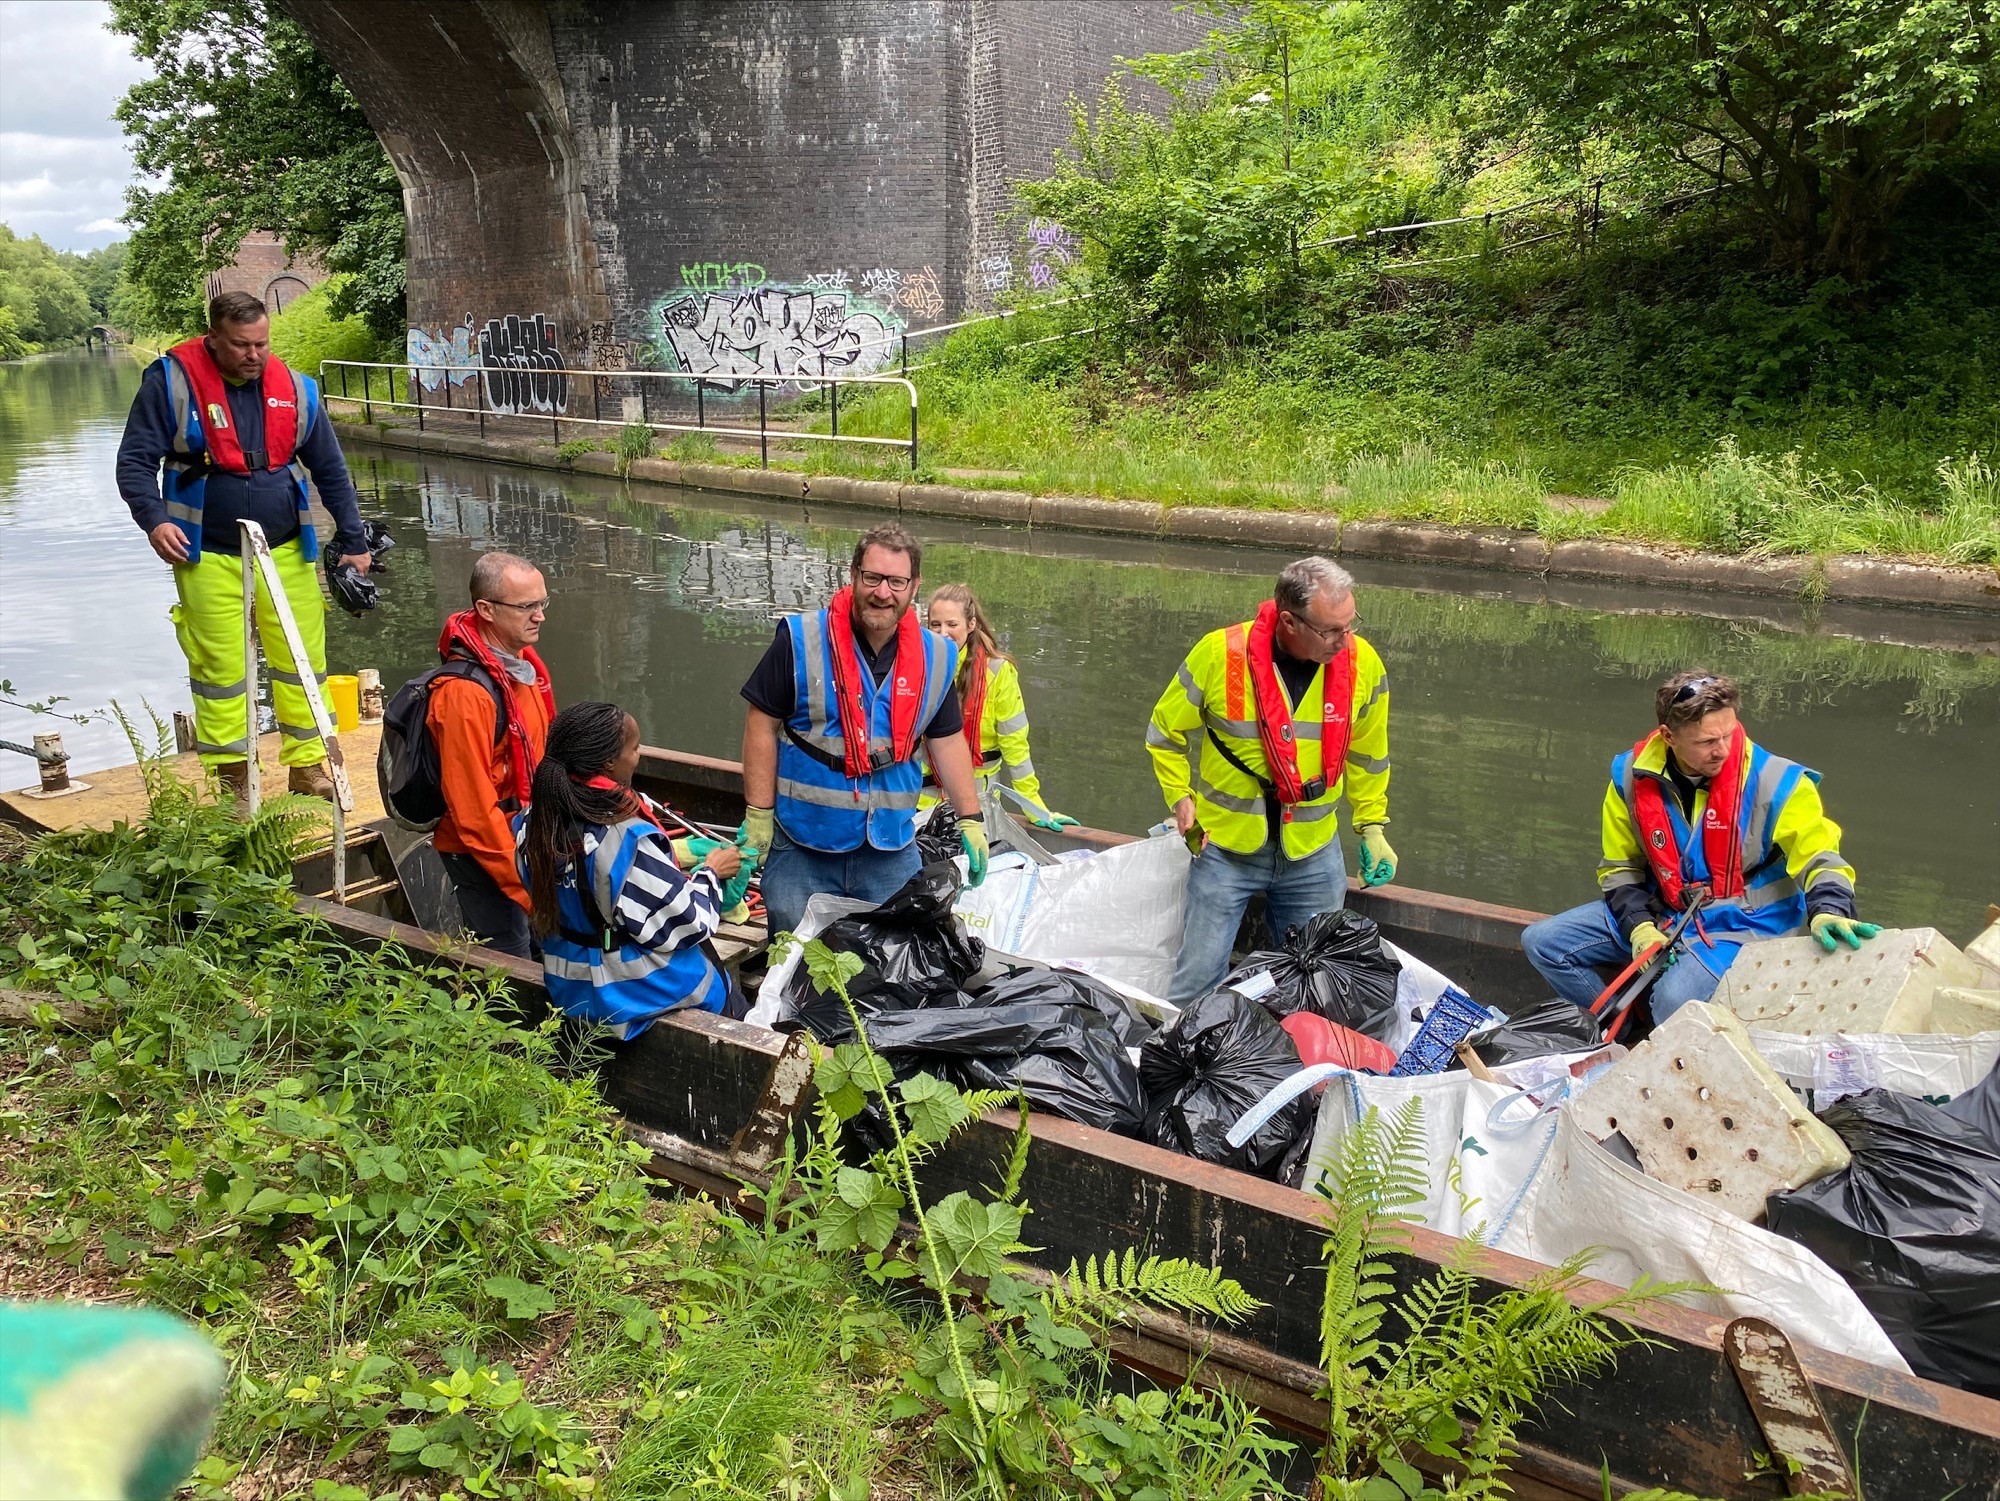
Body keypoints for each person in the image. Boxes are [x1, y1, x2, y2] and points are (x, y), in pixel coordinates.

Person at [115, 290, 372, 803]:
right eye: (241, 346)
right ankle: (234, 781)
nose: (254, 356)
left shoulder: (296, 391)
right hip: (205, 549)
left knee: (304, 663)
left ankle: (307, 766)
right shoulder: (169, 384)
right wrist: (154, 520)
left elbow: (331, 471)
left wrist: (353, 538)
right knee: (221, 671)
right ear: (212, 338)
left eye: (262, 344)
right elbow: (134, 462)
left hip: (284, 547)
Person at [1522, 670, 1877, 1023]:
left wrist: (1830, 909)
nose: (1723, 749)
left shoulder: (1777, 781)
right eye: (1708, 741)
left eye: (1729, 733)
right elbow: (1620, 869)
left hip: (1745, 922)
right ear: (1668, 736)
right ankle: (1614, 1026)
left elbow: (1821, 856)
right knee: (1544, 943)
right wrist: (1640, 927)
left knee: (1672, 1001)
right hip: (1665, 909)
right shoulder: (1630, 777)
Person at [1148, 556, 1396, 1004]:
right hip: (1225, 850)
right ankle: (1176, 1064)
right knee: (1197, 981)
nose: (1345, 641)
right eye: (1331, 631)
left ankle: (1288, 1066)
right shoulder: (1219, 655)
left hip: (1313, 852)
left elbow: (1369, 754)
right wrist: (1179, 797)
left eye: (1350, 625)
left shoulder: (1363, 665)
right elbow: (1164, 733)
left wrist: (1372, 826)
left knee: (1317, 981)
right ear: (1289, 621)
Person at [737, 523, 989, 938]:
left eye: (896, 581)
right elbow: (761, 724)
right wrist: (759, 812)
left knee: (894, 961)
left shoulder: (937, 657)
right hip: (803, 844)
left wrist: (970, 819)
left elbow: (946, 740)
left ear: (914, 586)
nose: (882, 593)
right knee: (793, 964)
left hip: (889, 849)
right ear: (853, 575)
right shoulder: (801, 639)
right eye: (872, 578)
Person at [518, 701, 745, 1032]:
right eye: (635, 748)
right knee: (728, 996)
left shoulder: (531, 824)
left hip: (571, 991)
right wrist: (711, 873)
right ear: (610, 762)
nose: (637, 757)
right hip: (633, 997)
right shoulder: (627, 840)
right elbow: (689, 923)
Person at [431, 552, 557, 958]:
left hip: (524, 832)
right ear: (485, 609)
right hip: (481, 849)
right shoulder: (464, 696)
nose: (539, 616)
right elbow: (473, 813)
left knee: (549, 946)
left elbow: (541, 752)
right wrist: (525, 889)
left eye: (542, 603)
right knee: (509, 957)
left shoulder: (520, 664)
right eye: (526, 607)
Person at [921, 582, 1077, 830]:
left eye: (952, 624)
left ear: (971, 625)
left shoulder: (998, 672)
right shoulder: (918, 667)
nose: (943, 633)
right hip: (920, 805)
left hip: (978, 806)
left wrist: (1034, 807)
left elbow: (1015, 747)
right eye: (935, 625)